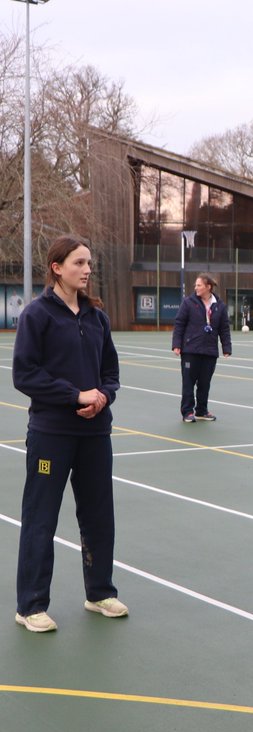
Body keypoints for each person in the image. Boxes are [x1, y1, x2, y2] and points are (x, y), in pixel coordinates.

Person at [12, 236, 127, 633]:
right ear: (57, 268)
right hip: (51, 434)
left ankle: (99, 593)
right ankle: (30, 605)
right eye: (80, 262)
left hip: (96, 434)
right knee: (40, 518)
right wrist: (73, 395)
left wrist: (103, 397)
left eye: (90, 263)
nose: (88, 269)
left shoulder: (97, 317)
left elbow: (111, 373)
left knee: (99, 516)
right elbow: (24, 375)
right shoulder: (37, 315)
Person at [171, 272, 232, 422]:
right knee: (188, 382)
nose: (196, 288)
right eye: (195, 285)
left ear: (208, 287)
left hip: (210, 351)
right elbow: (179, 324)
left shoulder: (219, 306)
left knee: (205, 383)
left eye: (199, 285)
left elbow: (224, 328)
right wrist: (176, 345)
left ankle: (201, 411)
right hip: (191, 350)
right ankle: (187, 412)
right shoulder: (188, 303)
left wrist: (226, 347)